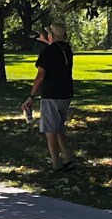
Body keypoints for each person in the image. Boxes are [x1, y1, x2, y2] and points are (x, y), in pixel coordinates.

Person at [22, 23, 75, 172]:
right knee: (59, 128)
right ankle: (67, 158)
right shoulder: (67, 49)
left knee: (50, 130)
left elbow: (40, 76)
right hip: (66, 94)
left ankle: (56, 164)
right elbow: (57, 48)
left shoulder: (48, 52)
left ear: (51, 35)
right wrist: (47, 40)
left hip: (51, 94)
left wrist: (31, 96)